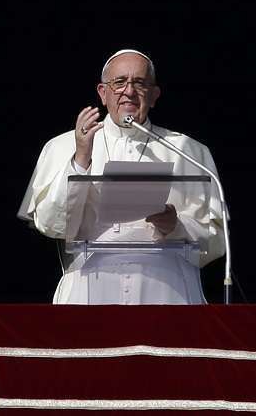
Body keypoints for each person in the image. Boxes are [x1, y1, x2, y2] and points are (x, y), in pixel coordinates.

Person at [18, 49, 225, 304]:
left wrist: (177, 226)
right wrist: (80, 158)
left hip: (167, 294)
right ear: (103, 94)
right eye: (119, 83)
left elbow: (217, 241)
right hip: (90, 293)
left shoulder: (189, 151)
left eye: (139, 83)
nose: (128, 91)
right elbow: (51, 224)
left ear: (154, 95)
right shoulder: (61, 147)